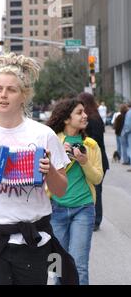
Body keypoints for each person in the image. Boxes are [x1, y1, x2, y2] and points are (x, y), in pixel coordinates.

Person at [0, 53, 77, 285]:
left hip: (34, 239)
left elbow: (61, 190)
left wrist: (49, 169)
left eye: (11, 89)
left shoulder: (43, 135)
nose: (3, 95)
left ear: (24, 95)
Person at [47, 98, 103, 285]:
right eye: (79, 112)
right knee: (56, 267)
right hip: (56, 209)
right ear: (66, 119)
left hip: (84, 209)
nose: (85, 115)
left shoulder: (91, 145)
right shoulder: (52, 141)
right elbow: (42, 175)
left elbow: (97, 178)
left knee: (79, 265)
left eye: (84, 112)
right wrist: (61, 155)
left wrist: (84, 161)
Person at [77, 93, 109, 232]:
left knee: (96, 189)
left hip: (97, 159)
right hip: (97, 158)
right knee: (94, 190)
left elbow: (96, 140)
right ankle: (94, 219)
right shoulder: (96, 117)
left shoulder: (92, 119)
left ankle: (96, 220)